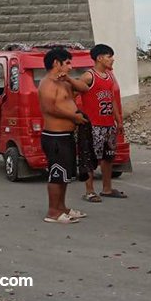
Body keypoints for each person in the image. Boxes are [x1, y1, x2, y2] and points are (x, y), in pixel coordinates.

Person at [37, 47, 90, 224]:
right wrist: (73, 116)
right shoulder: (47, 84)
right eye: (67, 63)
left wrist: (68, 78)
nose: (70, 66)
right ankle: (52, 211)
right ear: (56, 63)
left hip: (66, 135)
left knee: (65, 175)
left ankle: (62, 207)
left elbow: (84, 88)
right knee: (57, 174)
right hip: (54, 136)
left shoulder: (64, 82)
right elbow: (49, 108)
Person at [79, 44, 127, 202]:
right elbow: (72, 93)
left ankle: (107, 188)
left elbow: (112, 99)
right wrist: (75, 115)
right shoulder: (88, 76)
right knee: (91, 158)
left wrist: (119, 121)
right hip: (94, 125)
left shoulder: (109, 76)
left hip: (108, 125)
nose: (112, 60)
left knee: (108, 157)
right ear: (99, 58)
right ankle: (89, 191)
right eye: (109, 56)